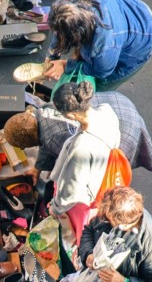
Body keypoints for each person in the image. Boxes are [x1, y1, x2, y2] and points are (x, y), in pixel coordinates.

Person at [3, 93, 152, 178]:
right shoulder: (45, 109)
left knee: (113, 166)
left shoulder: (54, 138)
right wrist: (38, 168)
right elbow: (44, 142)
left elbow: (76, 164)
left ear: (29, 141)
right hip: (120, 103)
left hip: (125, 130)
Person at [49, 81, 120, 246]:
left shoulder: (82, 148)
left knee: (74, 236)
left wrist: (56, 208)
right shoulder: (106, 111)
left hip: (85, 198)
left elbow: (71, 190)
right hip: (104, 177)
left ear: (71, 115)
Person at [45, 0, 152, 91]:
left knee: (97, 86)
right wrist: (51, 58)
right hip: (132, 9)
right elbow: (60, 29)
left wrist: (66, 66)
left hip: (143, 39)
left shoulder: (103, 48)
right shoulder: (70, 5)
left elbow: (100, 72)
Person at [78, 186, 152, 282]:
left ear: (123, 226)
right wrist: (88, 253)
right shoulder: (110, 211)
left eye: (110, 221)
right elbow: (89, 230)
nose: (105, 219)